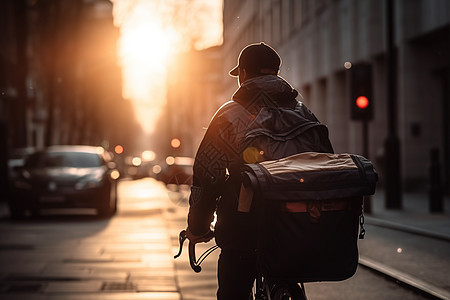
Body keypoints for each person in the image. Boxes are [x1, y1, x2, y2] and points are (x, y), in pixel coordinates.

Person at [185, 42, 331, 299]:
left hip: (244, 227)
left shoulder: (229, 115)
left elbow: (207, 175)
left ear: (242, 74)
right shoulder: (304, 113)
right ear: (276, 73)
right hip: (297, 225)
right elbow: (326, 164)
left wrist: (198, 226)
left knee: (234, 291)